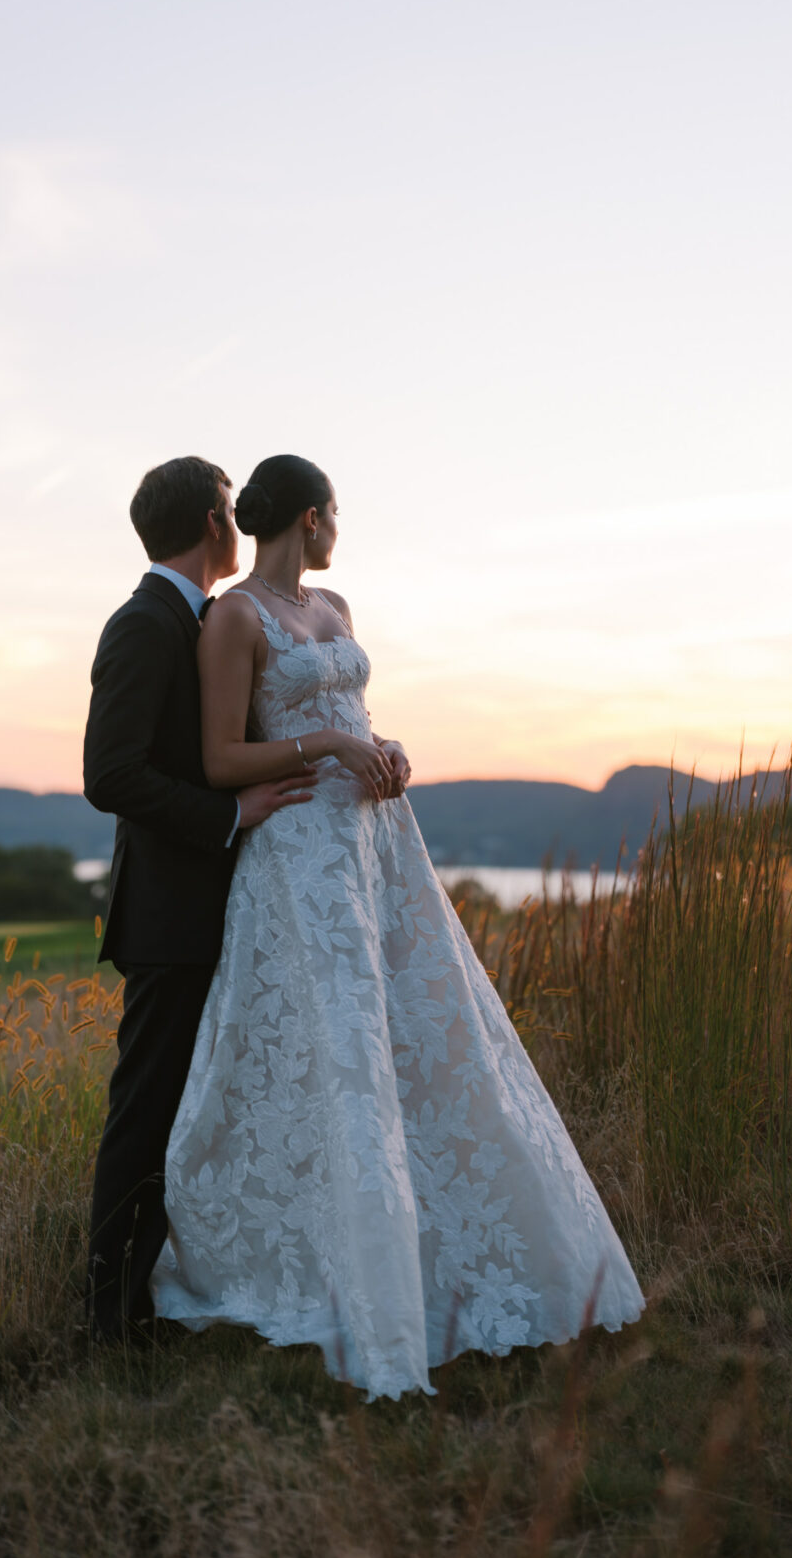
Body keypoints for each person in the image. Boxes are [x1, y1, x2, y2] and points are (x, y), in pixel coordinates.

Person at [152, 454, 644, 1398]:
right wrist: (332, 744)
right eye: (336, 513)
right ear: (311, 515)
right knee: (333, 1056)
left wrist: (382, 746)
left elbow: (355, 711)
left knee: (425, 1044)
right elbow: (219, 757)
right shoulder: (234, 617)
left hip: (380, 854)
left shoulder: (335, 613)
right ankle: (335, 1270)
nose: (340, 529)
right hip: (299, 860)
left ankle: (454, 1257)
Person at [83, 455, 316, 1343]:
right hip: (170, 914)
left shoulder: (207, 621)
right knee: (145, 1112)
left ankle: (171, 1289)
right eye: (228, 508)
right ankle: (109, 1315)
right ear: (214, 524)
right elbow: (110, 774)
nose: (237, 520)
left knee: (201, 1110)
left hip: (228, 906)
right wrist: (225, 813)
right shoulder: (143, 625)